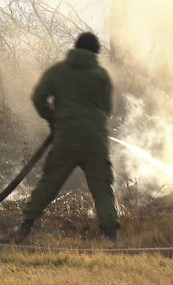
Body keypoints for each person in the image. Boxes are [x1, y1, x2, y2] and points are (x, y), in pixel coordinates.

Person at [11, 32, 120, 242]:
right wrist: (93, 124)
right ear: (95, 52)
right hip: (95, 140)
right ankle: (110, 234)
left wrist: (52, 119)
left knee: (50, 181)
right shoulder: (101, 75)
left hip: (66, 138)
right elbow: (107, 109)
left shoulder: (58, 71)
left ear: (75, 48)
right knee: (101, 185)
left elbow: (38, 97)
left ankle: (25, 226)